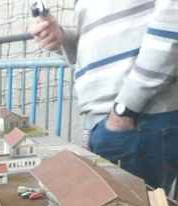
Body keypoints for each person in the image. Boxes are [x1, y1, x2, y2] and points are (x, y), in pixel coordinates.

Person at [31, 1, 178, 193]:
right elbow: (96, 49)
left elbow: (172, 22)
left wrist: (124, 110)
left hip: (138, 119)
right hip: (115, 121)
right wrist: (62, 40)